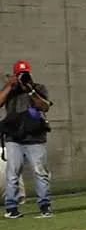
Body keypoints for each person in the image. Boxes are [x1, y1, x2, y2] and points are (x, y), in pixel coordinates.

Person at [0, 60, 53, 218]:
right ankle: (11, 208)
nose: (23, 77)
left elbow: (45, 106)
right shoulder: (11, 91)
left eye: (25, 74)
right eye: (19, 74)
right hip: (13, 138)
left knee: (40, 172)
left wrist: (30, 91)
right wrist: (9, 85)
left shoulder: (38, 88)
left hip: (35, 137)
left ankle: (45, 205)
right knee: (12, 173)